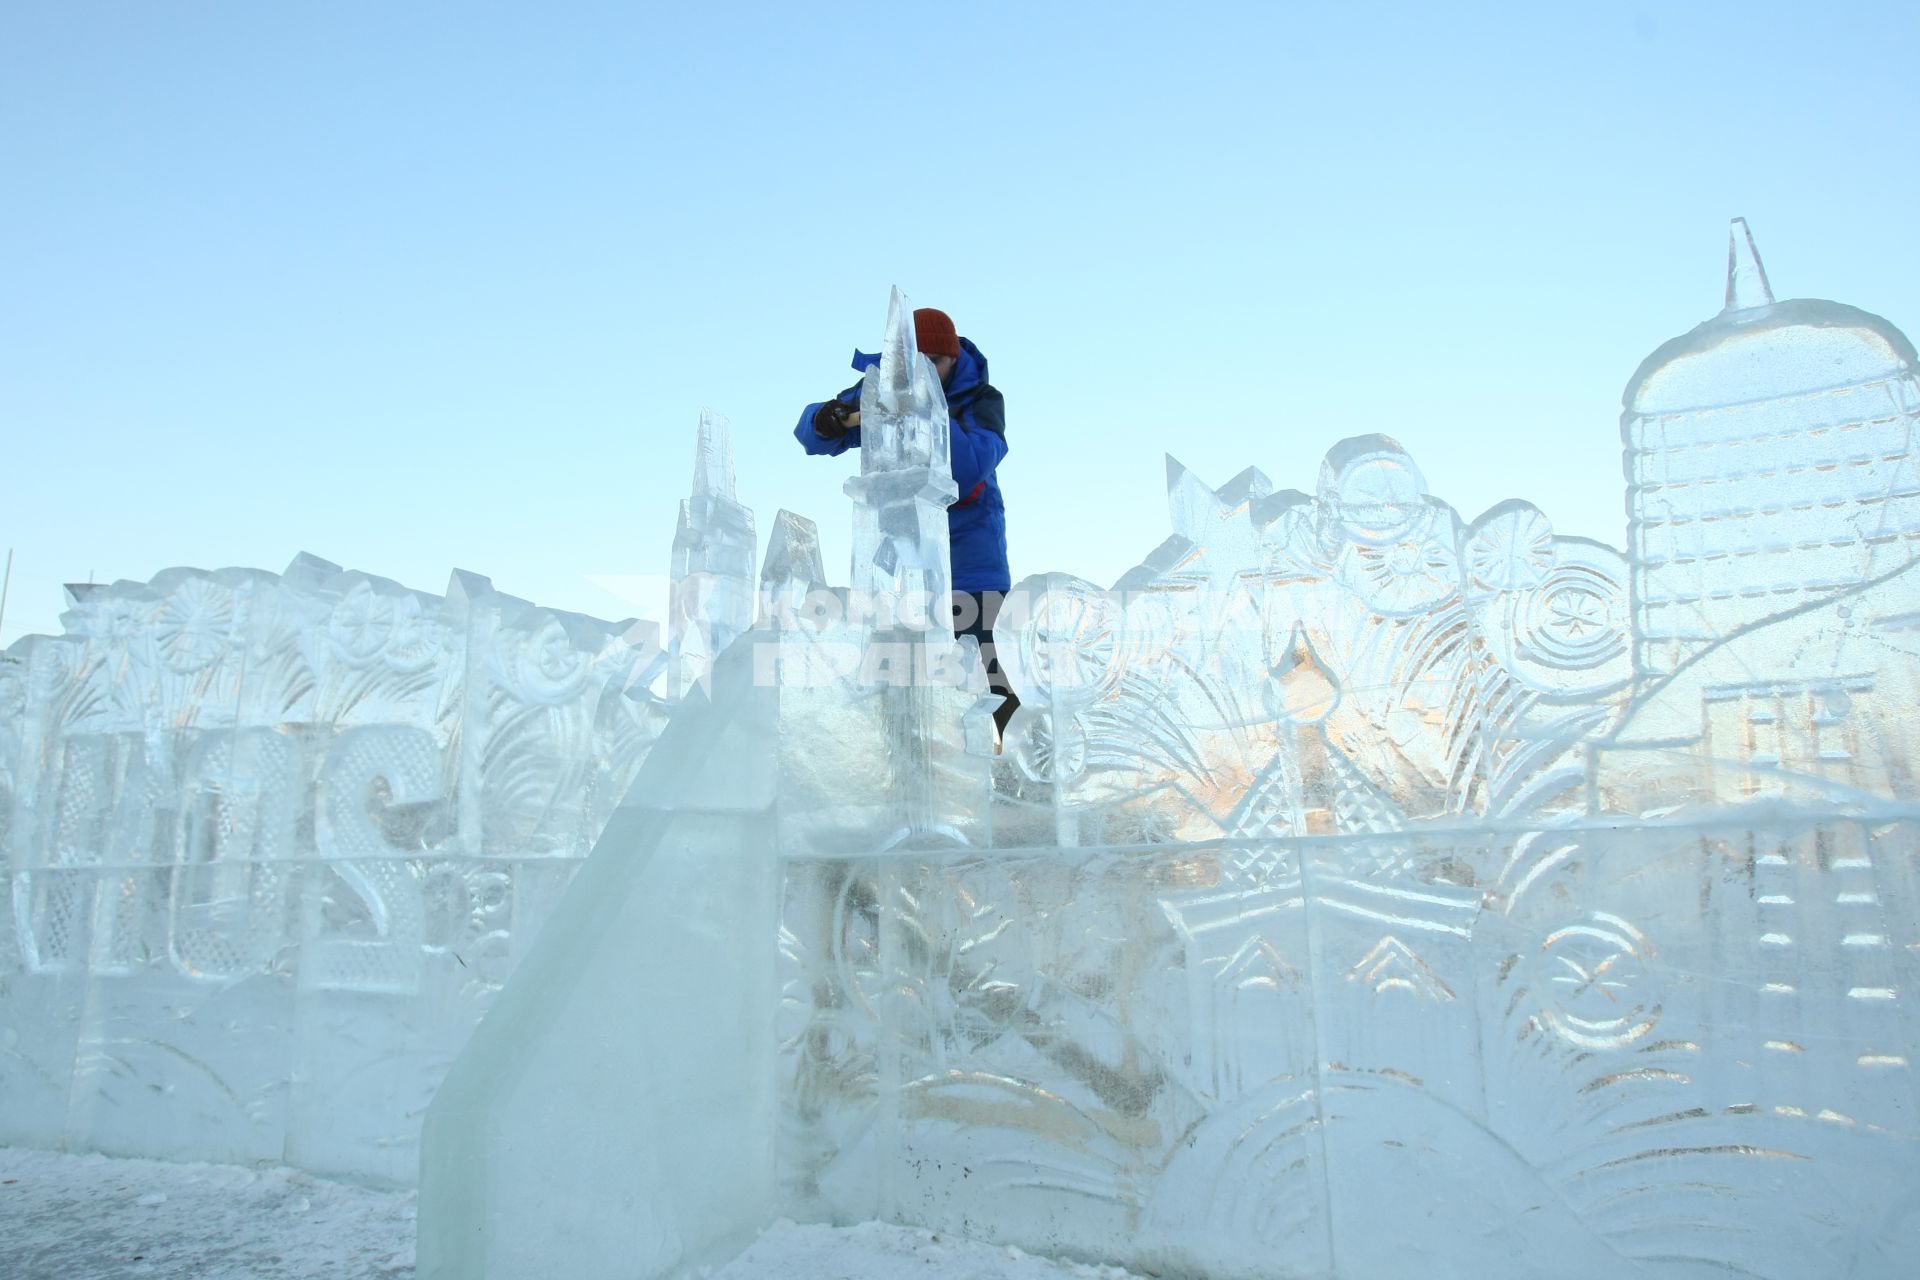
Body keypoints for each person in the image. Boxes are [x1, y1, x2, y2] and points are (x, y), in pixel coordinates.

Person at [794, 306, 1021, 740]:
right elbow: (809, 434)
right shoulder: (881, 387)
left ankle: (1022, 770)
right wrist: (827, 419)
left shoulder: (981, 399)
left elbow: (971, 465)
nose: (924, 373)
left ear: (953, 358)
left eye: (934, 363)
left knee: (986, 669)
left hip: (972, 566)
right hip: (898, 564)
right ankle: (914, 766)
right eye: (915, 363)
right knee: (899, 669)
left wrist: (923, 408)